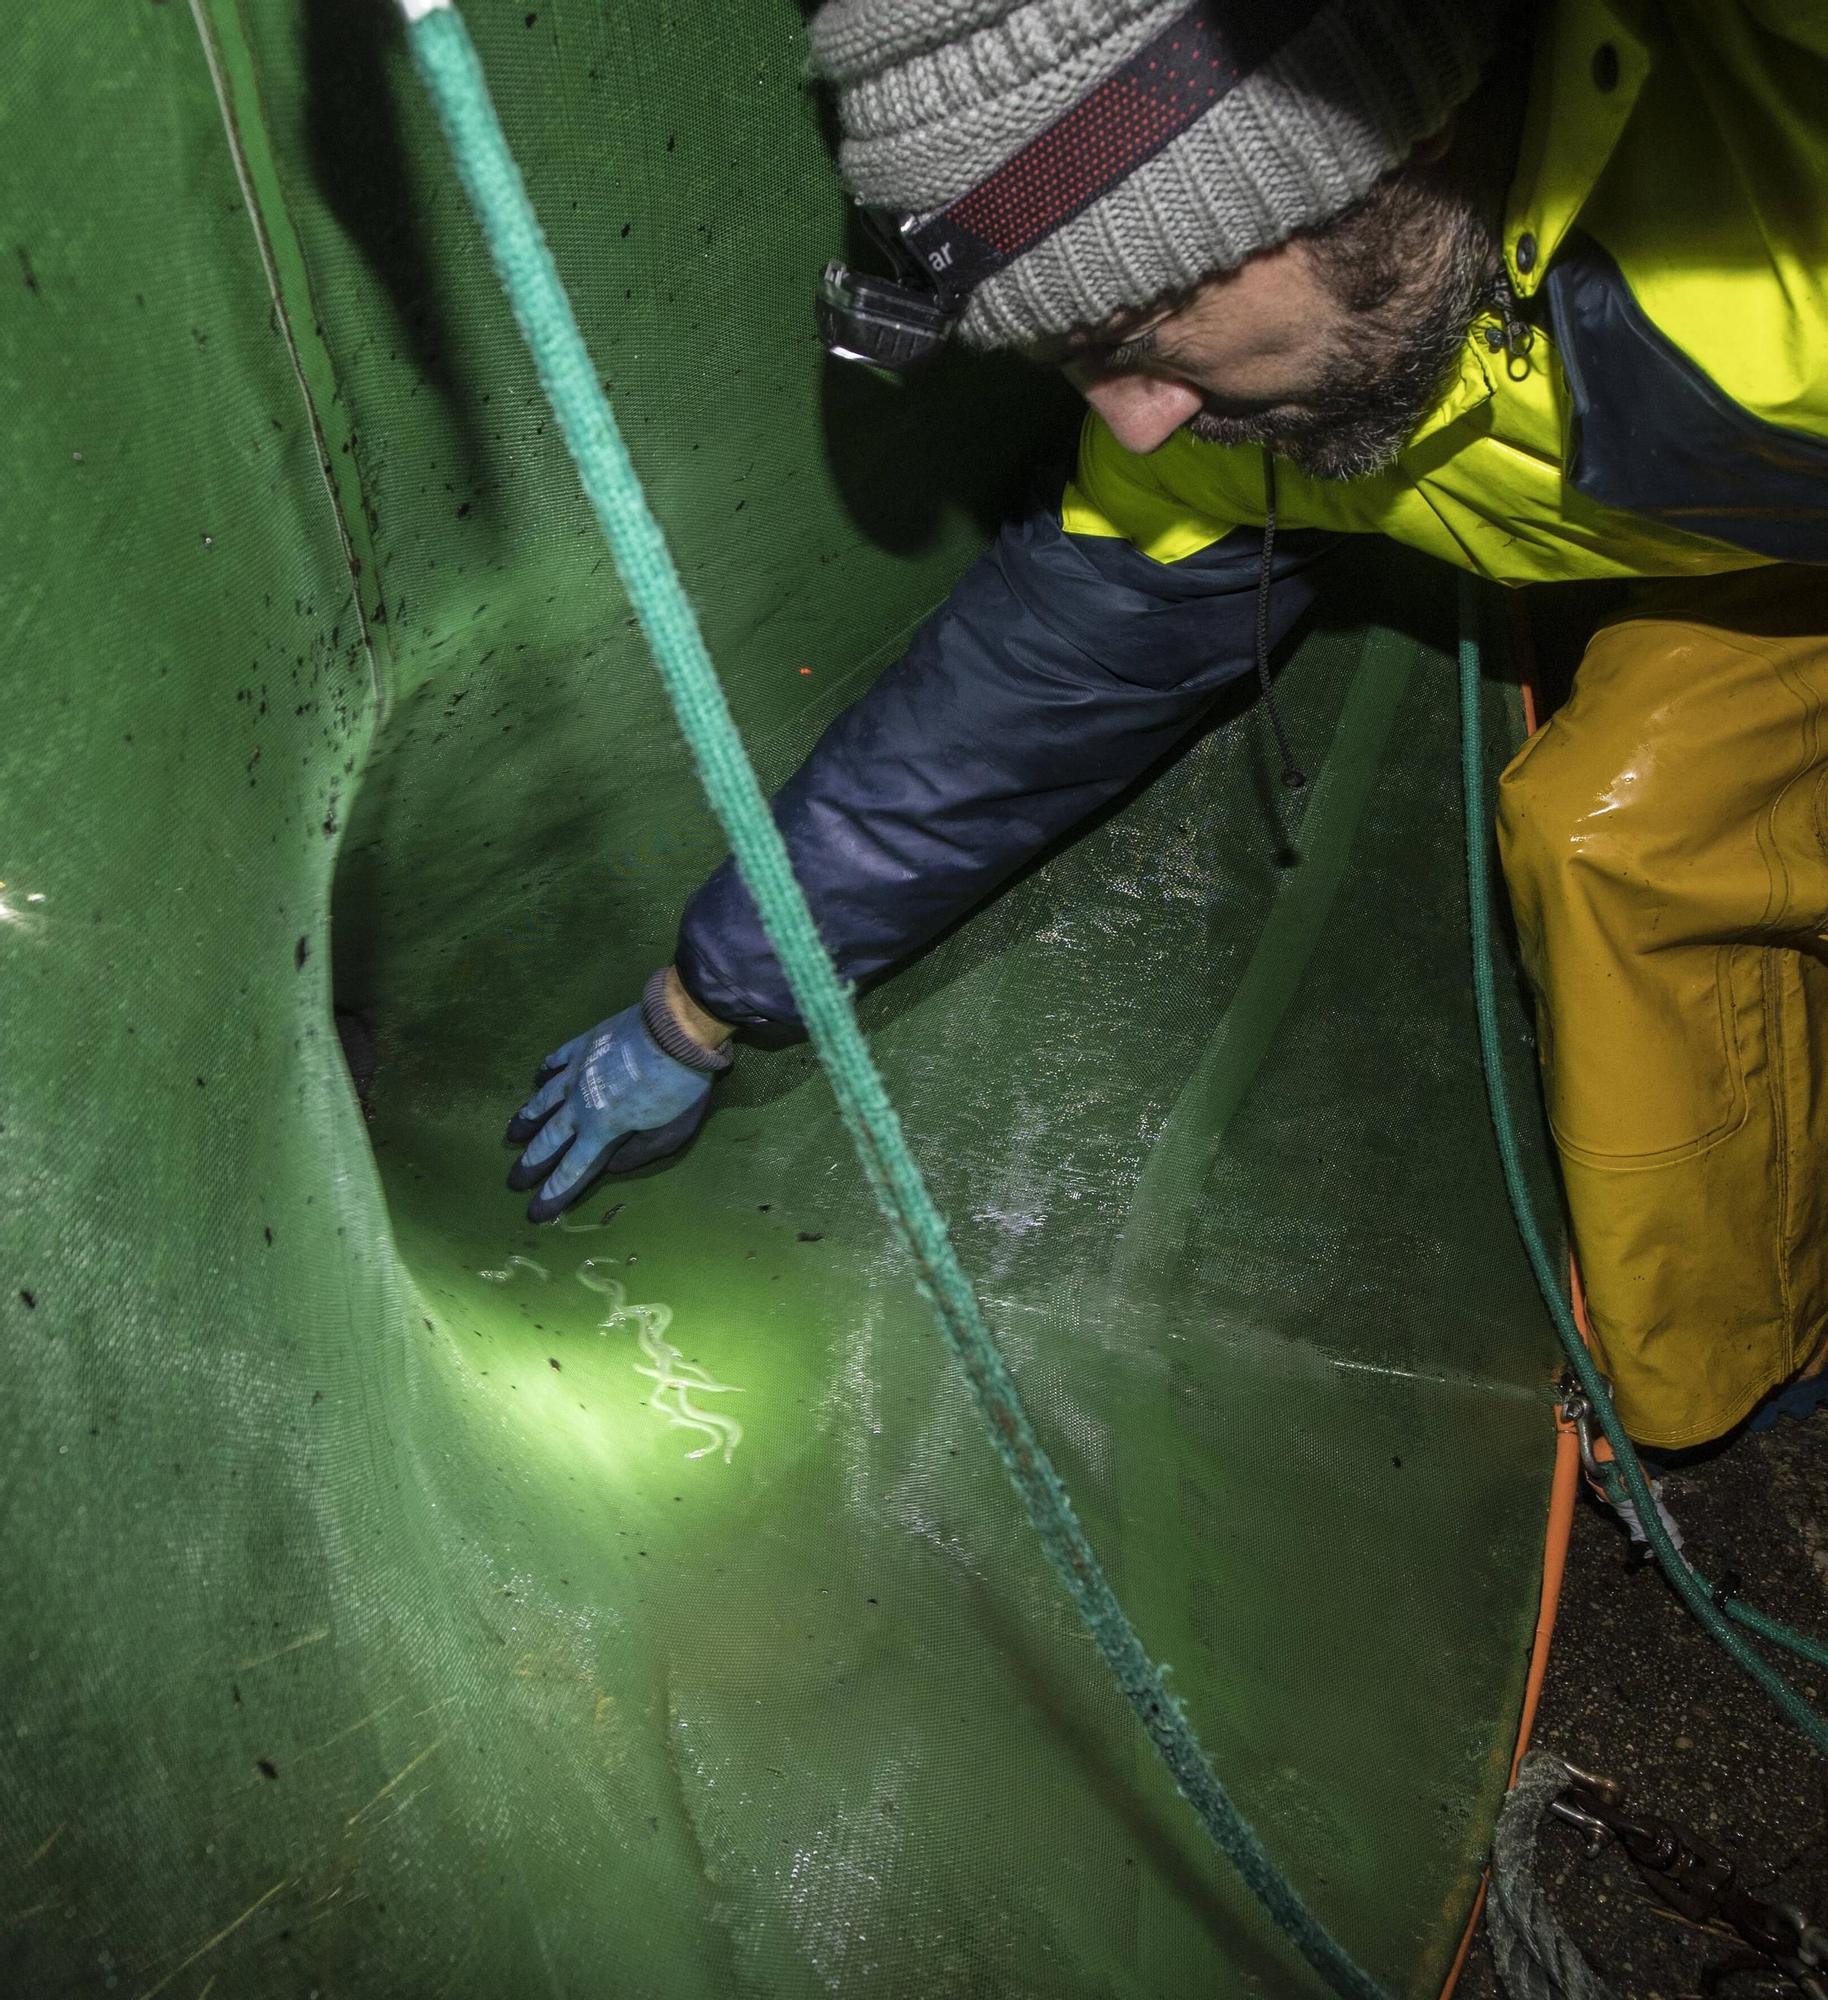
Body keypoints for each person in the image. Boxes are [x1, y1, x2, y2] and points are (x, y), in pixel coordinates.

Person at [505, 0, 1828, 1450]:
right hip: (1750, 559)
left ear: (1394, 136)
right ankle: (1747, 1369)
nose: (1132, 425)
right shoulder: (1236, 421)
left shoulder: (1772, 212)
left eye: (1137, 334)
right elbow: (1012, 713)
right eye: (1070, 366)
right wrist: (698, 1007)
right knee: (1610, 836)